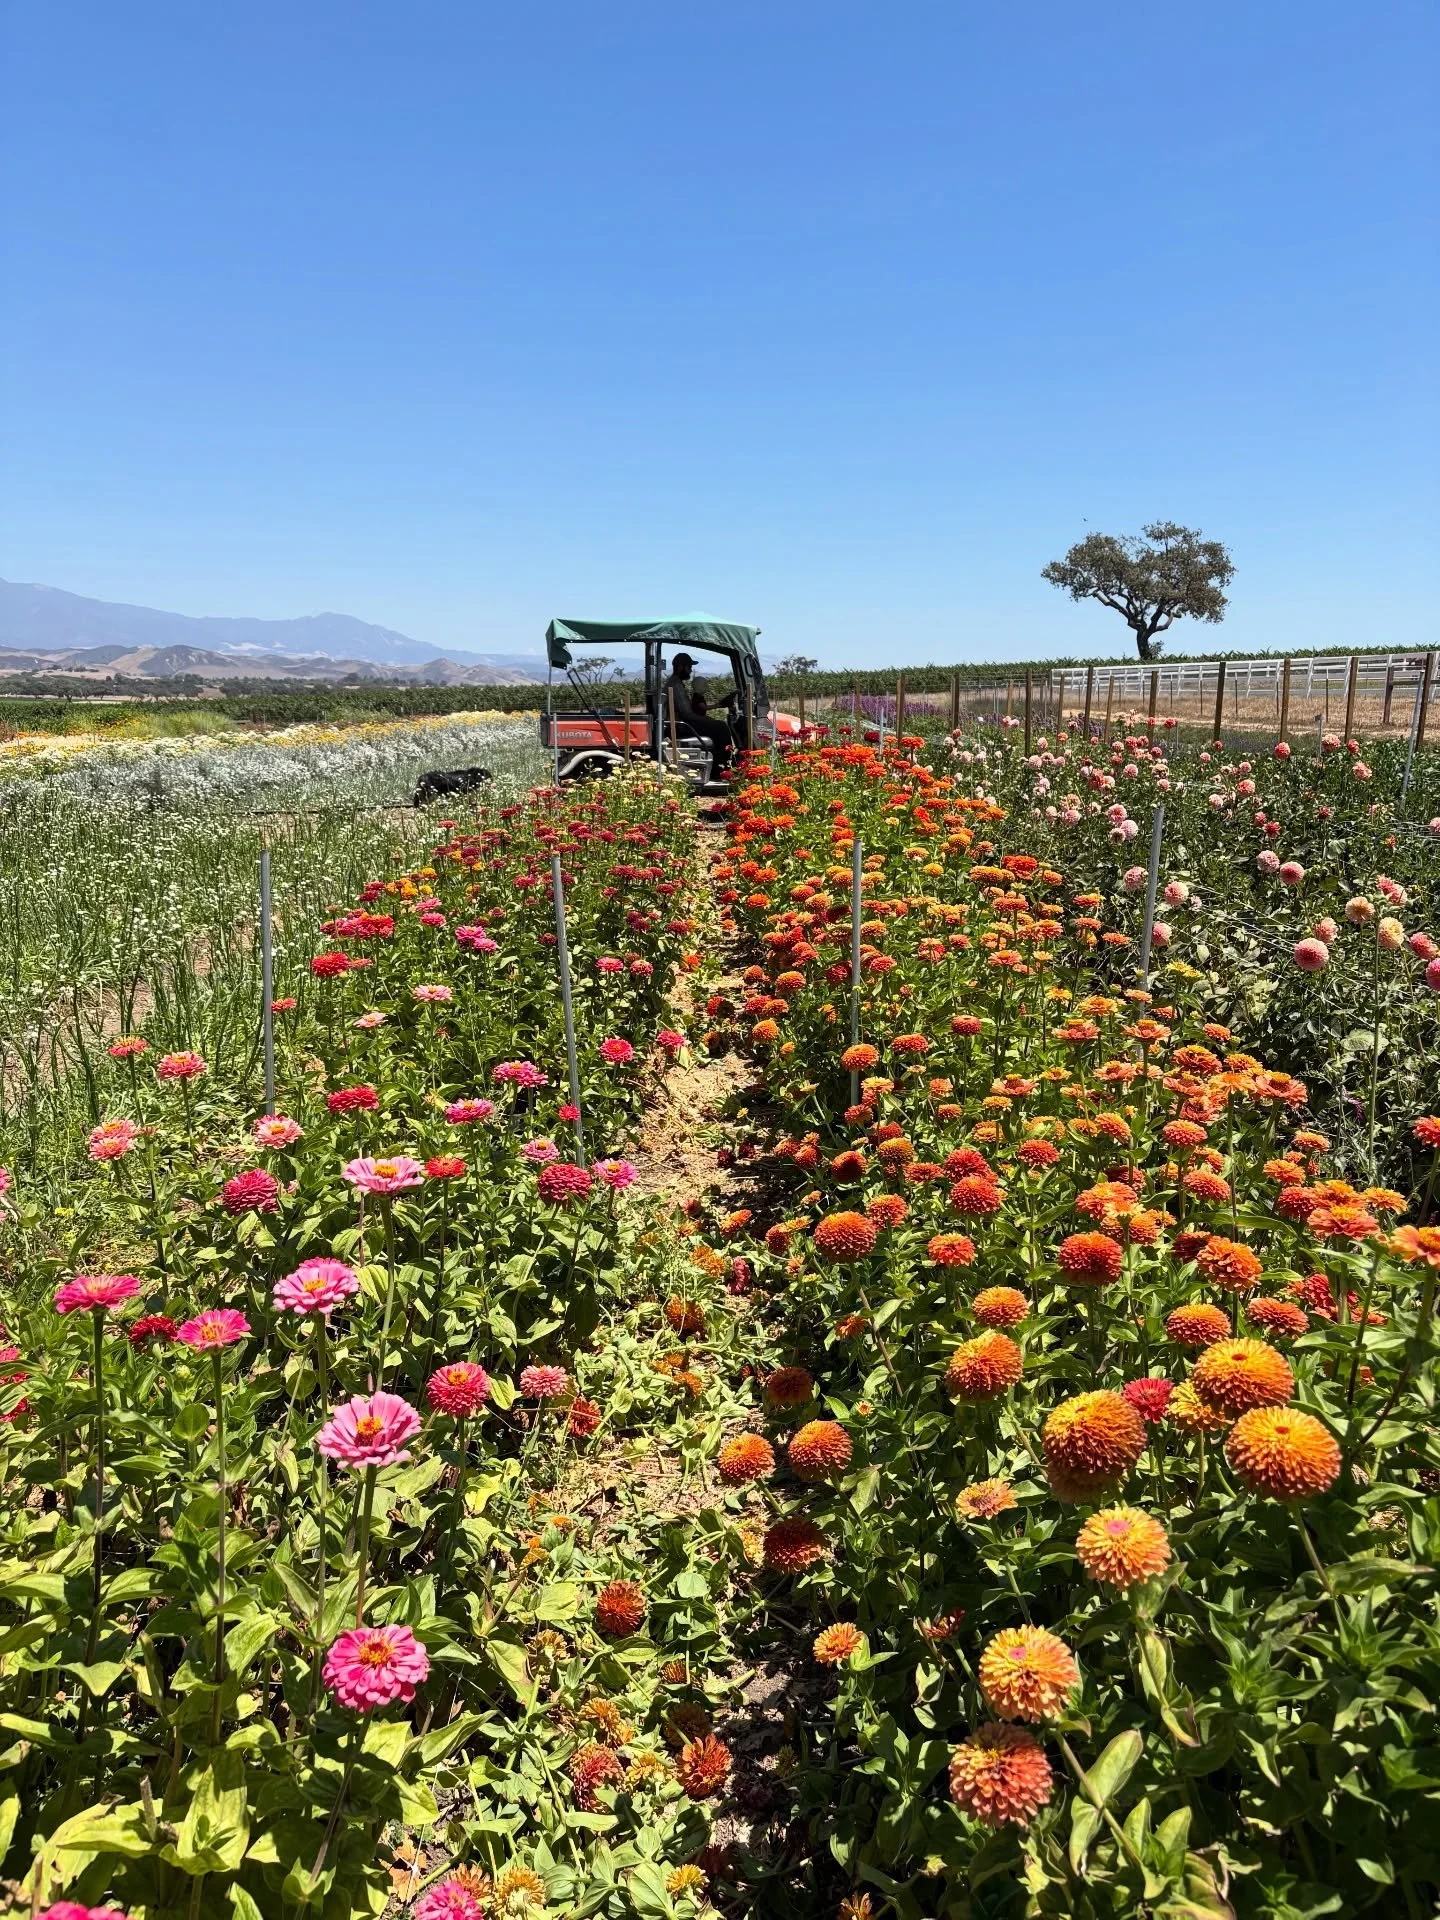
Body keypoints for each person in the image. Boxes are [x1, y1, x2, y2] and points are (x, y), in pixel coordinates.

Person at [663, 653, 734, 774]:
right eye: (689, 667)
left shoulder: (676, 683)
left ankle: (718, 761)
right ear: (680, 667)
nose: (691, 671)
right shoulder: (676, 685)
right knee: (721, 727)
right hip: (681, 726)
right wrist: (708, 720)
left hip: (681, 724)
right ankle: (722, 764)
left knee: (716, 725)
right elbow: (687, 714)